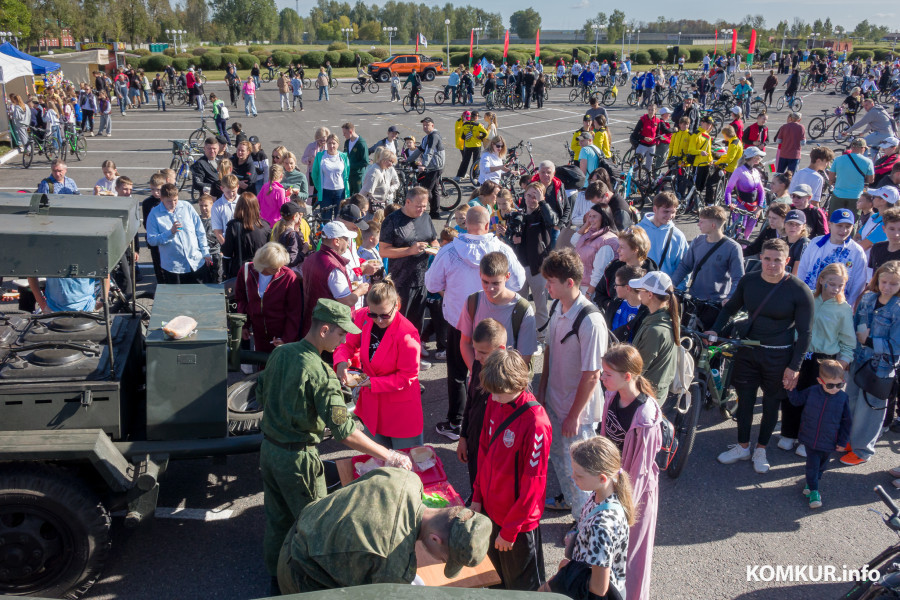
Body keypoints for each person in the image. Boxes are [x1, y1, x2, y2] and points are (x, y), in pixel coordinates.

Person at [257, 300, 413, 594]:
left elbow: (260, 391)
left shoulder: (280, 353)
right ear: (325, 329)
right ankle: (306, 585)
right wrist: (389, 454)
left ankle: (275, 579)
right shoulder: (322, 373)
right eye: (342, 335)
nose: (344, 340)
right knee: (315, 527)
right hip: (298, 460)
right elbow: (345, 431)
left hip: (269, 451)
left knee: (277, 518)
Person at [276, 468, 490, 594]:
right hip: (302, 574)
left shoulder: (406, 479)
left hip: (306, 525)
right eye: (444, 559)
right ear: (435, 539)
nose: (439, 561)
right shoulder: (393, 566)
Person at [710, 239, 814, 474]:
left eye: (778, 260)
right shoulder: (749, 281)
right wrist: (715, 330)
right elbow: (729, 308)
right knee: (745, 401)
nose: (771, 264)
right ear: (761, 259)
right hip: (747, 350)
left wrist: (795, 366)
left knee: (770, 403)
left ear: (787, 261)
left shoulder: (799, 290)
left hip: (779, 356)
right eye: (767, 258)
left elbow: (806, 332)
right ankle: (743, 446)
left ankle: (761, 449)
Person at [426, 207, 525, 440]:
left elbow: (431, 284)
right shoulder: (502, 249)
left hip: (459, 322)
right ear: (487, 225)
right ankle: (495, 418)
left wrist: (449, 289)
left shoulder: (449, 251)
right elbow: (519, 282)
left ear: (464, 225)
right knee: (497, 369)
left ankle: (456, 421)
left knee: (459, 373)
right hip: (495, 324)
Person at [470, 349, 552, 591]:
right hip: (490, 513)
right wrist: (477, 497)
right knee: (495, 582)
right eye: (491, 392)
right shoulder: (495, 401)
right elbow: (483, 452)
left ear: (517, 384)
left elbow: (533, 486)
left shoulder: (536, 422)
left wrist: (510, 530)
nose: (493, 399)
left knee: (523, 591)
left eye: (498, 393)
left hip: (517, 526)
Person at [538, 249, 608, 521]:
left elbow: (592, 375)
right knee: (560, 463)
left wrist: (574, 416)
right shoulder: (558, 305)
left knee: (580, 473)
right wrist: (542, 392)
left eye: (551, 281)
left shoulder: (590, 320)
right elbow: (549, 353)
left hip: (576, 416)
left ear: (570, 282)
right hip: (555, 405)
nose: (546, 286)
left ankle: (585, 525)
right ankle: (572, 505)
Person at [595, 344, 662, 600]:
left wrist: (622, 508)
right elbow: (604, 440)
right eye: (603, 372)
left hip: (634, 496)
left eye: (607, 373)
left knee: (631, 558)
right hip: (611, 485)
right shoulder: (611, 396)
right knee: (607, 555)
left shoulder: (645, 418)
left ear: (627, 376)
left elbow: (640, 473)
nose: (602, 377)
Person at [334, 280, 423, 449]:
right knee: (377, 462)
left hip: (400, 410)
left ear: (396, 306)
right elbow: (346, 344)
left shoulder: (407, 334)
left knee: (406, 463)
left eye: (384, 315)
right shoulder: (363, 316)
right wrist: (341, 363)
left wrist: (372, 383)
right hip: (372, 406)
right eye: (373, 314)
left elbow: (407, 377)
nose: (379, 320)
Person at [544, 435, 633, 600]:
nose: (573, 478)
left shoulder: (601, 527)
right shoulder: (602, 495)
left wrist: (567, 571)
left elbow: (599, 588)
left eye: (579, 475)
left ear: (602, 478)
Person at [779, 264, 855, 458]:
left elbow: (848, 341)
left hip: (824, 360)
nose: (836, 289)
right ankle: (788, 432)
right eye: (832, 283)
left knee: (817, 403)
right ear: (821, 280)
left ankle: (807, 440)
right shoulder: (808, 298)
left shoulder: (843, 308)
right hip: (800, 354)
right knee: (791, 391)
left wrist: (842, 365)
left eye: (841, 285)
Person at [458, 251, 538, 377]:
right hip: (480, 378)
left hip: (507, 380)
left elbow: (525, 357)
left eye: (496, 283)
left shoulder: (522, 309)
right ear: (480, 275)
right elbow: (465, 343)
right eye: (485, 282)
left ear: (507, 277)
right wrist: (477, 374)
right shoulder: (472, 302)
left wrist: (499, 381)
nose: (489, 288)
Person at [787, 359, 852, 509]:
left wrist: (843, 442)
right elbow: (796, 401)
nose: (835, 388)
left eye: (839, 385)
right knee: (812, 466)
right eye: (830, 385)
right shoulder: (812, 391)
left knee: (822, 466)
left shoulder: (843, 398)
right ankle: (814, 491)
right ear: (820, 381)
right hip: (811, 439)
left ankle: (811, 483)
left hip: (830, 441)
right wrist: (790, 388)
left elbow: (847, 422)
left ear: (843, 381)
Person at [379, 186, 439, 337]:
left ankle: (414, 354)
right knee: (399, 323)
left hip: (422, 279)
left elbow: (434, 241)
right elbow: (383, 251)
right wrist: (409, 251)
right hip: (400, 281)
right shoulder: (392, 220)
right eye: (418, 206)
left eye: (424, 206)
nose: (421, 210)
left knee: (417, 323)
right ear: (407, 202)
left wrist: (435, 249)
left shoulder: (425, 218)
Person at [671, 206, 744, 329]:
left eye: (702, 221)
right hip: (693, 301)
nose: (698, 224)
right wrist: (672, 284)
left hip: (715, 304)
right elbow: (685, 266)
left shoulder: (733, 248)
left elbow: (739, 277)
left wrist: (729, 298)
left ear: (713, 225)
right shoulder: (698, 241)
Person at [457, 318, 506, 492]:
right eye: (475, 350)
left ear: (500, 349)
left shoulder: (509, 378)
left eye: (483, 352)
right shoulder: (479, 363)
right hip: (474, 440)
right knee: (476, 479)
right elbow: (470, 400)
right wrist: (463, 437)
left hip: (496, 447)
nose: (476, 357)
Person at [235, 242, 302, 353]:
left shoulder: (289, 276)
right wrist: (244, 326)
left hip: (281, 333)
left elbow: (294, 311)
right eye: (275, 267)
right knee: (262, 365)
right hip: (258, 332)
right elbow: (241, 299)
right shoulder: (246, 271)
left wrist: (287, 338)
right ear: (263, 265)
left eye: (282, 265)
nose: (280, 270)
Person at [796, 208, 868, 306]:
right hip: (810, 299)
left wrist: (849, 306)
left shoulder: (856, 251)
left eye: (848, 226)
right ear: (830, 224)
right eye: (839, 226)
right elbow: (802, 269)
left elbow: (858, 283)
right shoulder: (816, 243)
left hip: (837, 304)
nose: (844, 230)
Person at [628, 272, 679, 402]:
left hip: (645, 396)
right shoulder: (668, 317)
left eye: (640, 290)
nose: (638, 293)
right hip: (653, 393)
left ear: (650, 294)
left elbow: (638, 368)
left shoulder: (655, 331)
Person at [146, 183, 212, 284]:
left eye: (175, 200)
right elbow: (151, 240)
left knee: (200, 297)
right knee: (178, 298)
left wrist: (205, 252)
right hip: (174, 268)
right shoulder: (154, 214)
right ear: (161, 198)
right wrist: (170, 233)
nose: (173, 204)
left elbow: (200, 231)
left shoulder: (186, 207)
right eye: (169, 201)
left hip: (196, 262)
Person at [515, 183, 557, 339]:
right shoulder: (518, 215)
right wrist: (511, 238)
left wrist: (542, 202)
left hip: (538, 267)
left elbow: (553, 221)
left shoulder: (542, 215)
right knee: (520, 305)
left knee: (540, 306)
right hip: (520, 266)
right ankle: (521, 334)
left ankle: (541, 337)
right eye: (529, 195)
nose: (532, 199)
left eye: (536, 196)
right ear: (524, 196)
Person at [221, 192, 272, 280]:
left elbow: (227, 253)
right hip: (260, 271)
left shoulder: (233, 226)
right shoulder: (265, 226)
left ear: (239, 207)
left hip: (240, 271)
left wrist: (226, 273)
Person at [572, 204, 618, 298]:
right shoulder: (591, 233)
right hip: (582, 285)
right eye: (589, 216)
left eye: (594, 216)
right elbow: (573, 241)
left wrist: (589, 293)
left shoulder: (607, 241)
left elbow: (599, 272)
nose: (591, 219)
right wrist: (586, 225)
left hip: (593, 291)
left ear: (604, 217)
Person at [406, 117, 446, 219]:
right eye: (423, 125)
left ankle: (424, 212)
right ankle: (434, 213)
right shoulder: (426, 138)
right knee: (434, 190)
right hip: (432, 166)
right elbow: (419, 150)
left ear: (432, 125)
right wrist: (408, 160)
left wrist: (424, 165)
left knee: (425, 189)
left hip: (435, 167)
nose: (425, 127)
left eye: (427, 125)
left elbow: (429, 152)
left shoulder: (434, 136)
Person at [639, 193, 687, 276]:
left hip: (665, 287)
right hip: (639, 286)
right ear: (655, 209)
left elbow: (684, 265)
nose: (670, 216)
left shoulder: (678, 236)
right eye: (666, 211)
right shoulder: (637, 230)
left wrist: (678, 287)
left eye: (673, 212)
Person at [828, 138, 875, 218]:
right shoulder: (868, 162)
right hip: (855, 197)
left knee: (834, 220)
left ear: (852, 147)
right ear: (862, 148)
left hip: (838, 195)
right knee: (852, 222)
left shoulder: (838, 159)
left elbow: (831, 178)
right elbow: (871, 180)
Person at [311, 133, 350, 222]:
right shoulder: (320, 156)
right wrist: (319, 188)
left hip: (340, 192)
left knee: (340, 219)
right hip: (325, 192)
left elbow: (347, 174)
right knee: (326, 219)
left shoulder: (343, 156)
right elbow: (315, 174)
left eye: (334, 143)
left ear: (338, 144)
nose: (331, 146)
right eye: (329, 143)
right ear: (326, 144)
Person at [457, 111, 489, 180]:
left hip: (468, 145)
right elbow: (485, 134)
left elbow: (462, 136)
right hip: (476, 145)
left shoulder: (464, 125)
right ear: (476, 117)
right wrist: (479, 136)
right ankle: (475, 175)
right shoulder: (478, 125)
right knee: (476, 161)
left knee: (465, 160)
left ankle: (460, 175)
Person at [342, 122, 368, 195]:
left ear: (350, 131)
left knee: (358, 197)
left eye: (345, 133)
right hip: (348, 175)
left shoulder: (361, 144)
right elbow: (345, 155)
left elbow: (365, 162)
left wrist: (350, 165)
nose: (343, 135)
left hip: (358, 176)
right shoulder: (347, 142)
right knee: (348, 196)